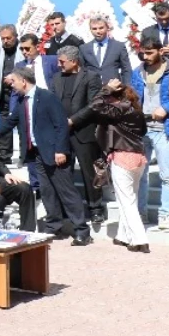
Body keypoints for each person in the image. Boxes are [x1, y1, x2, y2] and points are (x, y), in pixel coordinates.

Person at [0, 68, 91, 245]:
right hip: (36, 154)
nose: (11, 86)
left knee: (66, 192)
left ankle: (82, 230)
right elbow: (10, 123)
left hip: (54, 153)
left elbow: (61, 125)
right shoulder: (21, 101)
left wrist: (61, 150)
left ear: (23, 81)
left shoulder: (47, 97)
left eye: (13, 82)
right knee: (47, 191)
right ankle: (54, 227)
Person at [87, 80, 149, 251]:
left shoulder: (117, 110)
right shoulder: (136, 111)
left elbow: (94, 105)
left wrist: (106, 89)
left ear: (114, 97)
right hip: (139, 157)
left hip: (122, 157)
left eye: (109, 97)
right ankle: (123, 236)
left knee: (127, 201)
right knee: (129, 199)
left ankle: (139, 240)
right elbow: (143, 131)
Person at [52, 46, 106, 223]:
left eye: (62, 62)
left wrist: (72, 120)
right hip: (62, 134)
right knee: (63, 173)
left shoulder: (90, 76)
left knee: (89, 172)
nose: (59, 65)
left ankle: (96, 207)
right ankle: (68, 209)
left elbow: (94, 104)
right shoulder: (57, 78)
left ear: (74, 61)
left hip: (84, 131)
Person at [130, 37, 169, 229]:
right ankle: (141, 212)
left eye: (150, 52)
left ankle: (166, 215)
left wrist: (166, 108)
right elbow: (131, 97)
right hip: (142, 128)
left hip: (164, 128)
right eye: (143, 53)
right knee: (140, 174)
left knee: (168, 175)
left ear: (160, 51)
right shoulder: (137, 72)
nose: (145, 56)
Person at [0, 25, 21, 164]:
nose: (6, 41)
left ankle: (25, 154)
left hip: (20, 93)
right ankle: (5, 155)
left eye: (8, 38)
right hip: (3, 93)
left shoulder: (22, 49)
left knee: (23, 123)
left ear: (15, 36)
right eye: (3, 38)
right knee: (5, 124)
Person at [80, 17, 131, 84]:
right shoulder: (84, 48)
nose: (98, 31)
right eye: (94, 29)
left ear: (107, 28)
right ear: (90, 30)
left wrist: (125, 88)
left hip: (114, 90)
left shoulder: (119, 46)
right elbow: (81, 71)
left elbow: (126, 69)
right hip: (92, 90)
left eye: (101, 28)